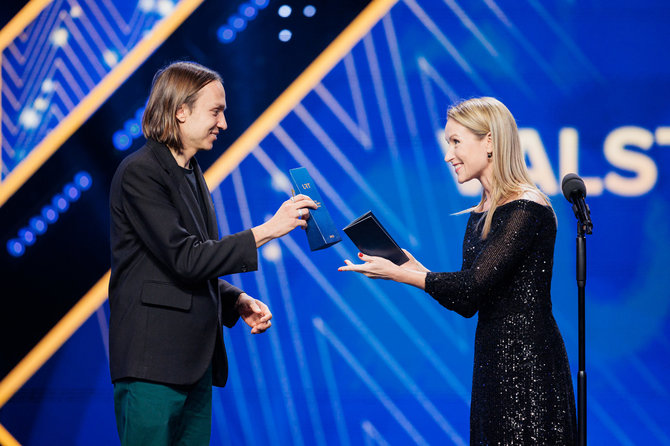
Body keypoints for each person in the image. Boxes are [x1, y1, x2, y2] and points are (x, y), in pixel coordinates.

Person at [339, 97, 577, 444]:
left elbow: (472, 286)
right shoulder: (480, 214)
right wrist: (415, 269)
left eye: (456, 141)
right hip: (492, 364)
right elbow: (467, 302)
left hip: (528, 367)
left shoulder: (527, 207)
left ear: (491, 141)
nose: (449, 155)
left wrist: (403, 275)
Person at [108, 61, 317, 445]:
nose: (223, 123)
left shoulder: (191, 173)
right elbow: (184, 258)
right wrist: (270, 229)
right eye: (216, 111)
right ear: (180, 111)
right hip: (153, 365)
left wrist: (234, 299)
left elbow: (183, 264)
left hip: (192, 366)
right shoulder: (141, 172)